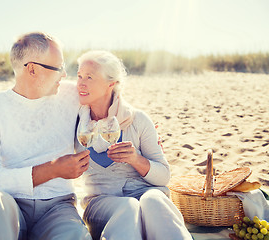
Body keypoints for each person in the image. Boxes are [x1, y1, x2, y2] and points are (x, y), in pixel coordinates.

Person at [0, 32, 92, 240]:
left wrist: (144, 132)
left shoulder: (72, 95)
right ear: (32, 69)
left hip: (59, 207)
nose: (64, 75)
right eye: (58, 67)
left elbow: (111, 101)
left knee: (76, 236)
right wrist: (52, 170)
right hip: (10, 205)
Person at [75, 50, 192, 240]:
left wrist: (136, 159)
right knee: (129, 207)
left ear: (111, 84)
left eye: (89, 77)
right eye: (79, 75)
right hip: (100, 202)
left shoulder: (138, 120)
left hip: (145, 193)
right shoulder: (76, 122)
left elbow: (163, 177)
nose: (81, 82)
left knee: (154, 200)